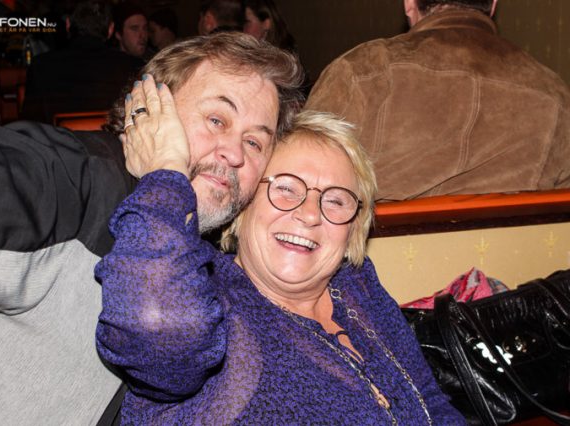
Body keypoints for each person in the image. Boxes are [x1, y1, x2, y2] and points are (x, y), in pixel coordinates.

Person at [0, 32, 303, 425]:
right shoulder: (77, 177)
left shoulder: (221, 255)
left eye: (254, 143)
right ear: (146, 109)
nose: (234, 153)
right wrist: (167, 174)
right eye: (216, 120)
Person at [95, 76, 465, 422]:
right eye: (286, 188)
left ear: (354, 226)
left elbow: (431, 399)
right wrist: (165, 174)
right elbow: (159, 339)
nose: (310, 215)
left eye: (335, 200)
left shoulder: (357, 283)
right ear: (244, 207)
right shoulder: (208, 298)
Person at [306, 0, 570, 201]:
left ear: (409, 4)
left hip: (387, 257)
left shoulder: (362, 70)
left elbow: (302, 183)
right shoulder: (554, 92)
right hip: (515, 258)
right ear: (493, 5)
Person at [21, 0, 141, 124]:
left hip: (55, 136)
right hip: (113, 136)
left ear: (68, 25)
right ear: (111, 29)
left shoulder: (40, 65)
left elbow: (30, 123)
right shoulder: (132, 67)